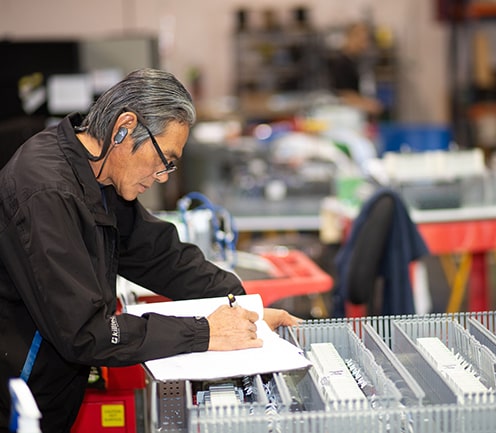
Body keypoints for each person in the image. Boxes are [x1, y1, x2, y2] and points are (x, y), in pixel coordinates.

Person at [0, 68, 301, 433]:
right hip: (17, 399)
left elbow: (160, 255)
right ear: (124, 127)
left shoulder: (97, 173)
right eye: (164, 159)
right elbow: (86, 332)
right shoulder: (47, 192)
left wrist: (244, 309)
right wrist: (204, 333)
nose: (163, 176)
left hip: (50, 392)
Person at [327, 22, 383, 117]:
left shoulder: (355, 62)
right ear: (351, 37)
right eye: (362, 40)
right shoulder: (341, 63)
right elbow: (343, 94)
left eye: (366, 41)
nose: (365, 45)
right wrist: (367, 104)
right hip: (343, 114)